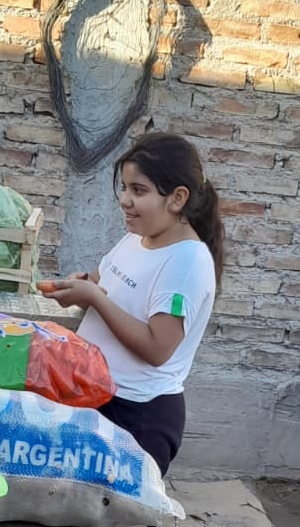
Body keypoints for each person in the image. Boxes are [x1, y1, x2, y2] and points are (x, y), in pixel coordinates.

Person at [41, 132, 222, 474]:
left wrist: (94, 298)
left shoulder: (186, 262)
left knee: (119, 525)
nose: (125, 199)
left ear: (177, 198)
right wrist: (78, 290)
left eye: (138, 191)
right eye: (124, 188)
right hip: (96, 396)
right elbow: (100, 283)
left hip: (136, 416)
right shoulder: (137, 239)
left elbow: (157, 348)